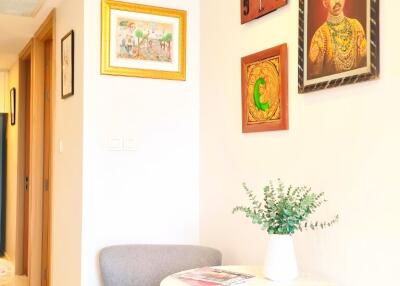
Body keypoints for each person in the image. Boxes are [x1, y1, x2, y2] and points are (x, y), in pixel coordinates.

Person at [309, 0, 367, 78]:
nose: (337, 2)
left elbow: (365, 63)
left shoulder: (356, 26)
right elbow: (315, 77)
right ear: (325, 3)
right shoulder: (320, 35)